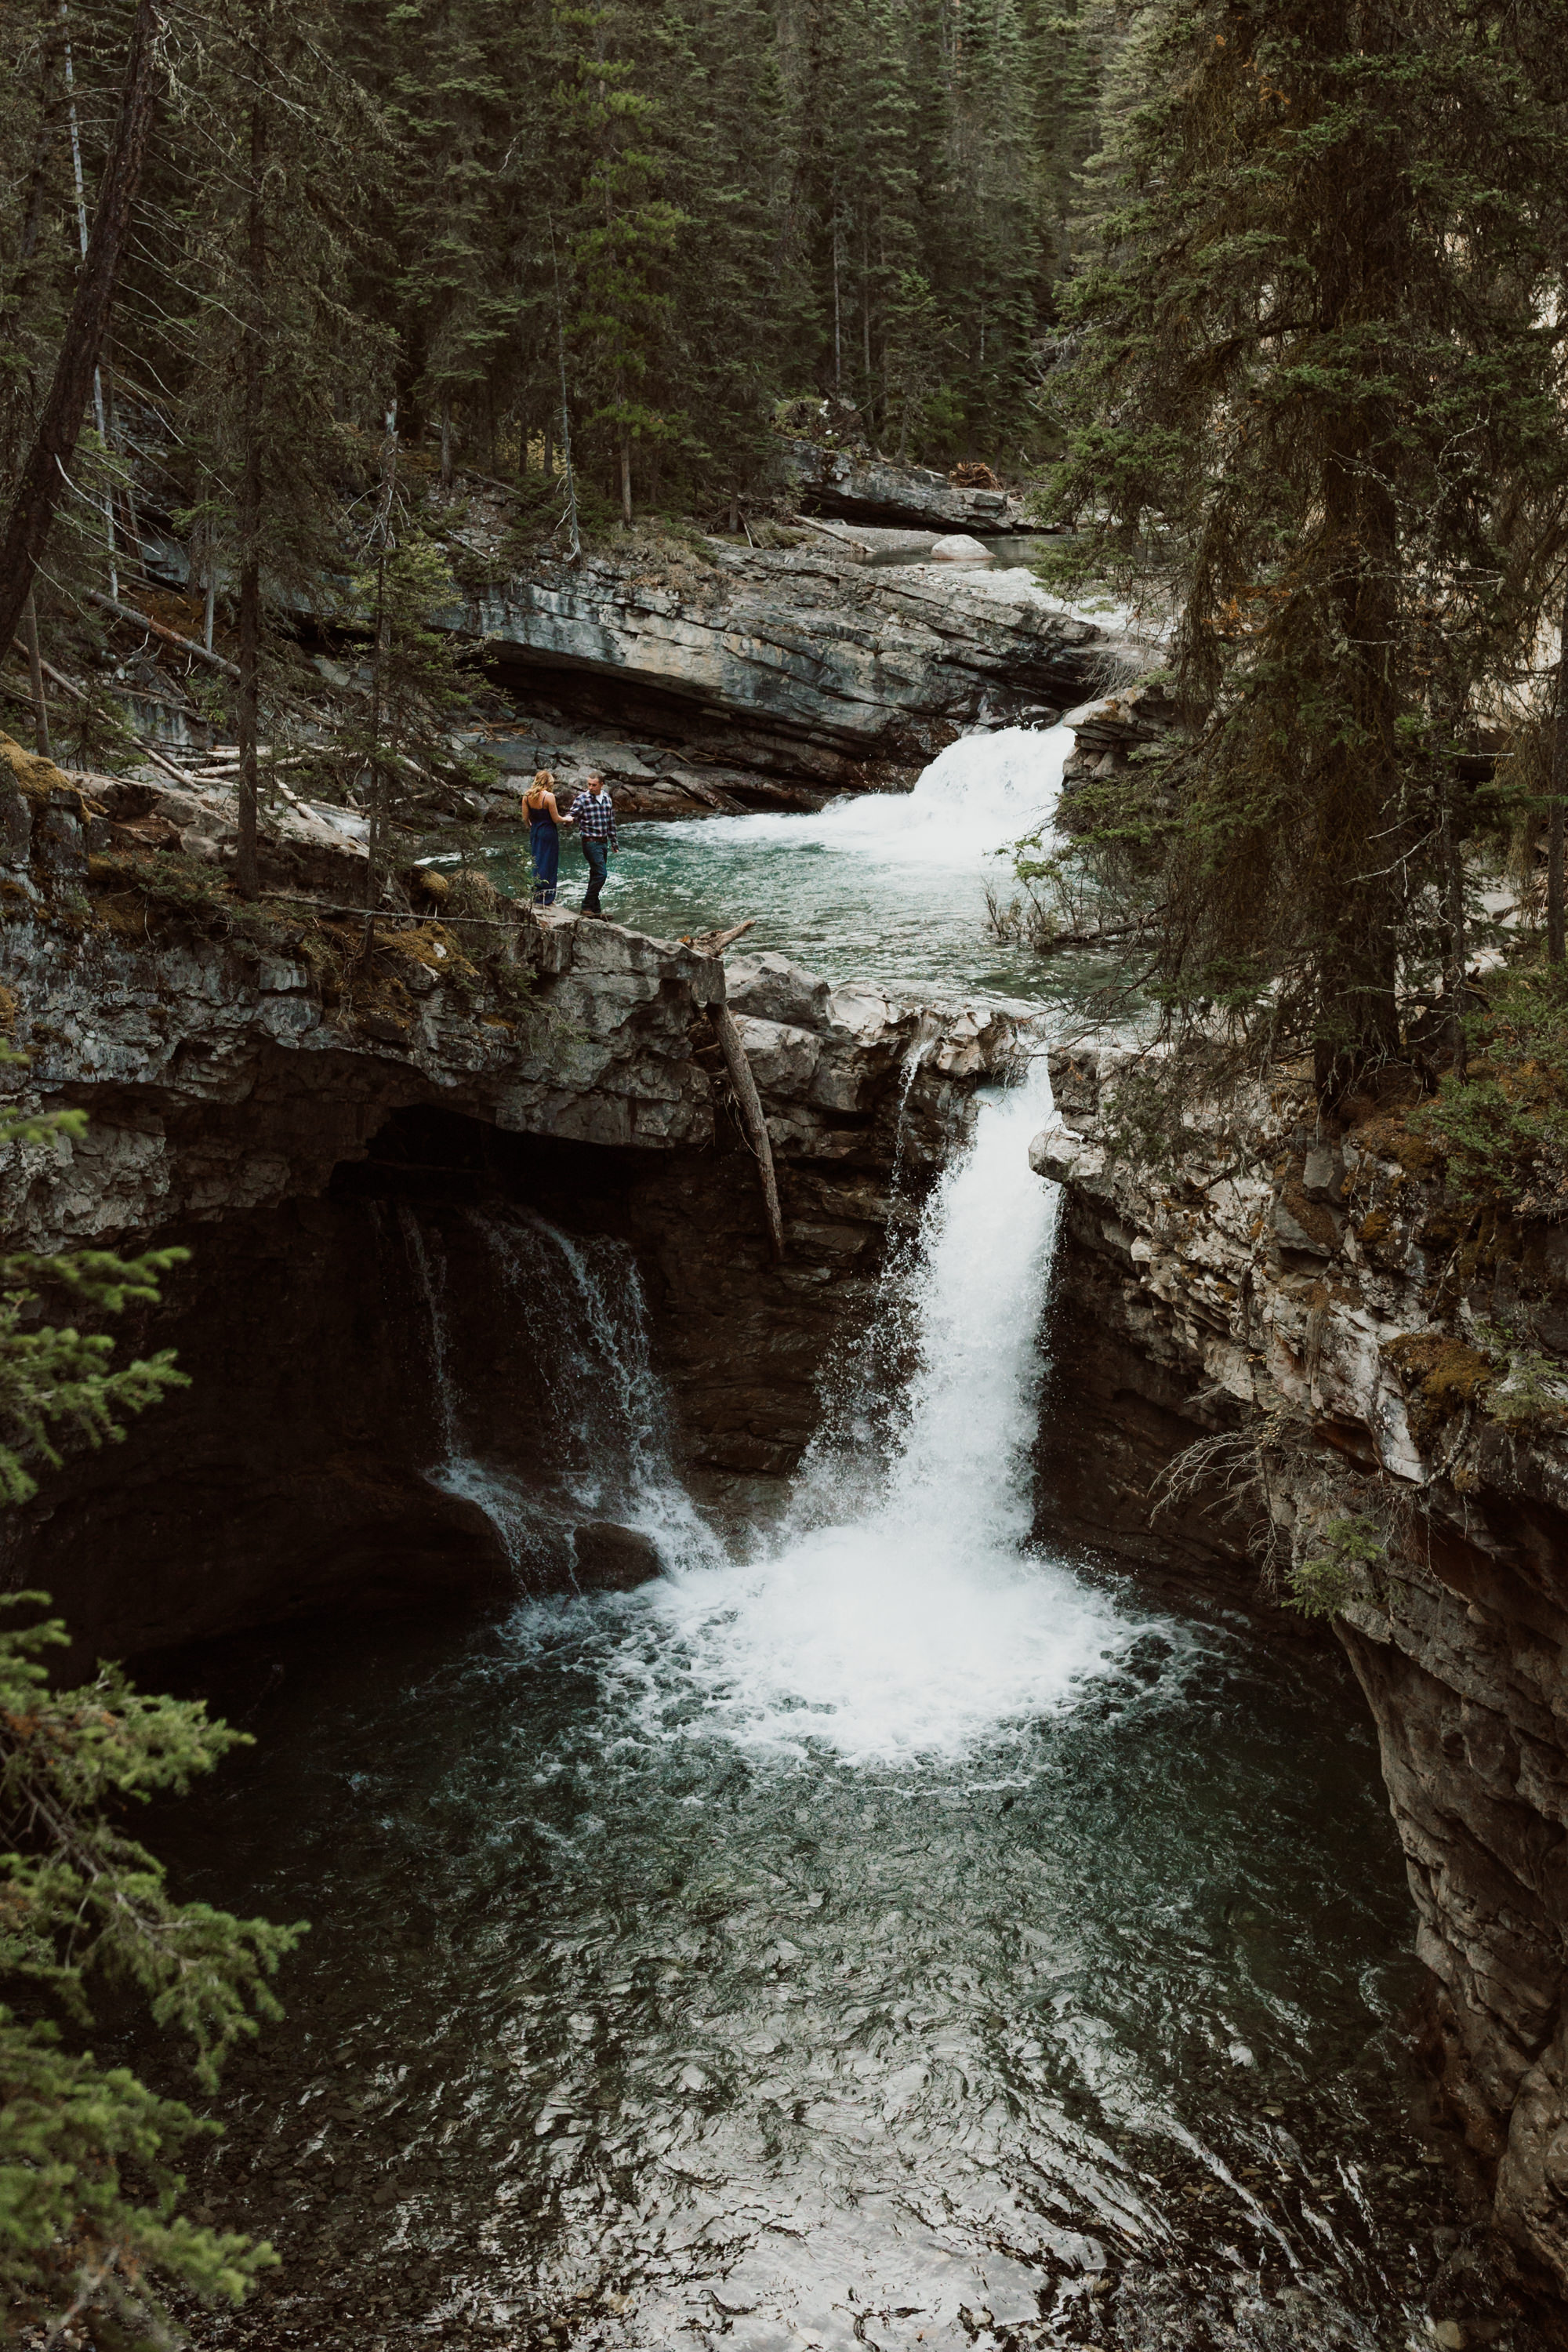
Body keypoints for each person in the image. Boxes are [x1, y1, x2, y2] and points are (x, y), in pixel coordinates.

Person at [572, 770, 618, 916]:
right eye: (589, 785)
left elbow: (610, 821)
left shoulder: (607, 798)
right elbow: (572, 815)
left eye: (594, 785)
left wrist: (614, 842)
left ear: (602, 785)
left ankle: (595, 910)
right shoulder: (582, 799)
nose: (591, 787)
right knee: (601, 874)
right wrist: (566, 820)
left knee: (595, 875)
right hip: (590, 842)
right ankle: (586, 906)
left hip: (603, 842)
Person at [523, 768, 571, 906]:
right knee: (549, 862)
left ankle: (536, 893)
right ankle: (547, 897)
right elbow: (556, 819)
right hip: (549, 832)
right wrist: (567, 819)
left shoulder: (526, 796)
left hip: (536, 831)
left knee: (537, 860)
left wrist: (532, 828)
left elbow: (525, 819)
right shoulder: (549, 797)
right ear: (548, 782)